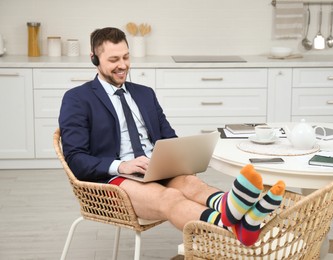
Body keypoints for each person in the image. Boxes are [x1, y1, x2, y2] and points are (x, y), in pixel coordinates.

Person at [59, 27, 285, 246]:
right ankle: (235, 225)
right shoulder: (78, 98)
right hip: (114, 181)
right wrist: (122, 166)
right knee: (171, 198)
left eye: (126, 57)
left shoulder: (145, 94)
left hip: (154, 167)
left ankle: (231, 210)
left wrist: (179, 158)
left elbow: (169, 138)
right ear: (94, 59)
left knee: (191, 183)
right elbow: (76, 159)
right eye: (113, 59)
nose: (122, 65)